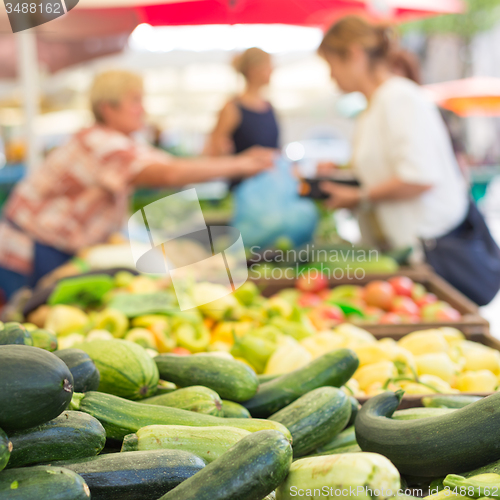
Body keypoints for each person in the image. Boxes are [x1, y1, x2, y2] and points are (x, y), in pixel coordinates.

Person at [0, 70, 273, 298]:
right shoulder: (100, 143)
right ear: (108, 108)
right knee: (26, 334)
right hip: (28, 250)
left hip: (54, 248)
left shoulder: (118, 143)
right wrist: (241, 164)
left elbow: (171, 165)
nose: (142, 109)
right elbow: (168, 174)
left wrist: (222, 159)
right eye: (134, 100)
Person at [316, 16, 500, 306]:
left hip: (434, 254)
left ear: (353, 54)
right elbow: (386, 167)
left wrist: (359, 195)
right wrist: (342, 173)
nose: (331, 77)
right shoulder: (375, 106)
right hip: (408, 254)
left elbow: (418, 176)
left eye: (331, 65)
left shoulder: (400, 98)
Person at [205, 48, 280, 188]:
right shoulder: (232, 108)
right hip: (243, 189)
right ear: (253, 70)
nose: (272, 70)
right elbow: (213, 153)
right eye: (268, 65)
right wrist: (238, 158)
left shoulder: (269, 106)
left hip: (270, 186)